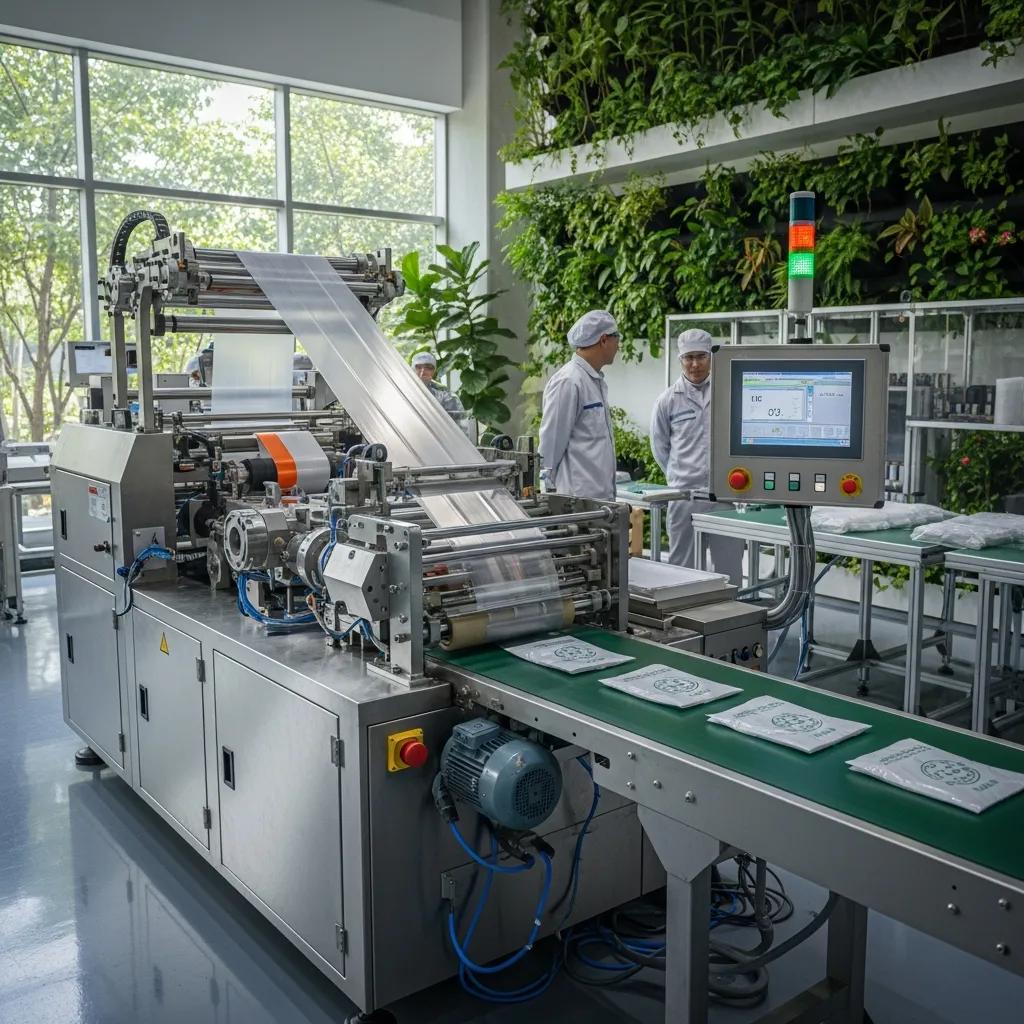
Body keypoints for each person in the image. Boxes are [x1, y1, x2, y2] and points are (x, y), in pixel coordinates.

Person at [650, 328, 743, 583]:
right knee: (682, 567)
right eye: (688, 357)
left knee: (729, 565)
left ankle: (730, 618)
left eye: (700, 356)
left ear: (711, 357)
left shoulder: (729, 393)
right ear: (680, 360)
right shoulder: (668, 400)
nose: (695, 364)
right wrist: (682, 474)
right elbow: (660, 448)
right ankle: (683, 617)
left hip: (724, 495)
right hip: (684, 496)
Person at [539, 309, 620, 501]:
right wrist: (548, 495)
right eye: (617, 337)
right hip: (576, 501)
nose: (619, 345)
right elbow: (550, 445)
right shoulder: (569, 381)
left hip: (597, 500)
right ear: (604, 340)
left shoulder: (593, 380)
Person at [411, 352, 469, 433]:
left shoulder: (445, 394)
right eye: (418, 367)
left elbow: (459, 427)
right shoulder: (403, 390)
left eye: (428, 367)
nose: (423, 371)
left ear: (434, 370)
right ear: (412, 368)